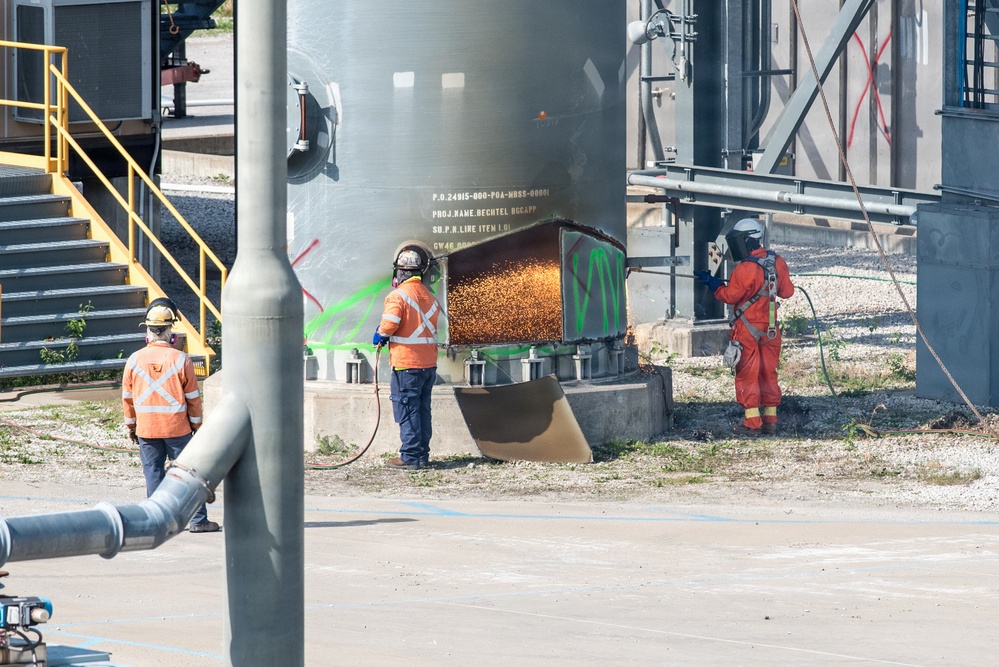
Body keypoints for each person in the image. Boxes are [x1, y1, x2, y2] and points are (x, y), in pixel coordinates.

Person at [122, 297, 219, 532]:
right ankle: (197, 521)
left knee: (153, 473)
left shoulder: (134, 360)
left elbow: (128, 399)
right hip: (178, 429)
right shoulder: (181, 360)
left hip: (147, 429)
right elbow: (193, 399)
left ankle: (158, 522)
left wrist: (132, 427)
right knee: (188, 475)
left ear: (147, 331)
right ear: (170, 332)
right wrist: (196, 426)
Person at [696, 218, 795, 436]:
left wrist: (714, 285)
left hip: (747, 330)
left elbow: (730, 296)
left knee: (748, 373)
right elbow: (787, 292)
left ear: (747, 241)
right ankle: (771, 420)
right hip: (770, 329)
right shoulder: (777, 261)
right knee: (768, 372)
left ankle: (752, 423)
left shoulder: (744, 268)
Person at [373, 247, 441, 470]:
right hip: (428, 364)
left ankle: (410, 456)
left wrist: (380, 335)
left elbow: (390, 323)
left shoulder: (398, 295)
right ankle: (421, 455)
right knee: (422, 410)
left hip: (407, 364)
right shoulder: (430, 297)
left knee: (407, 408)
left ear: (400, 273)